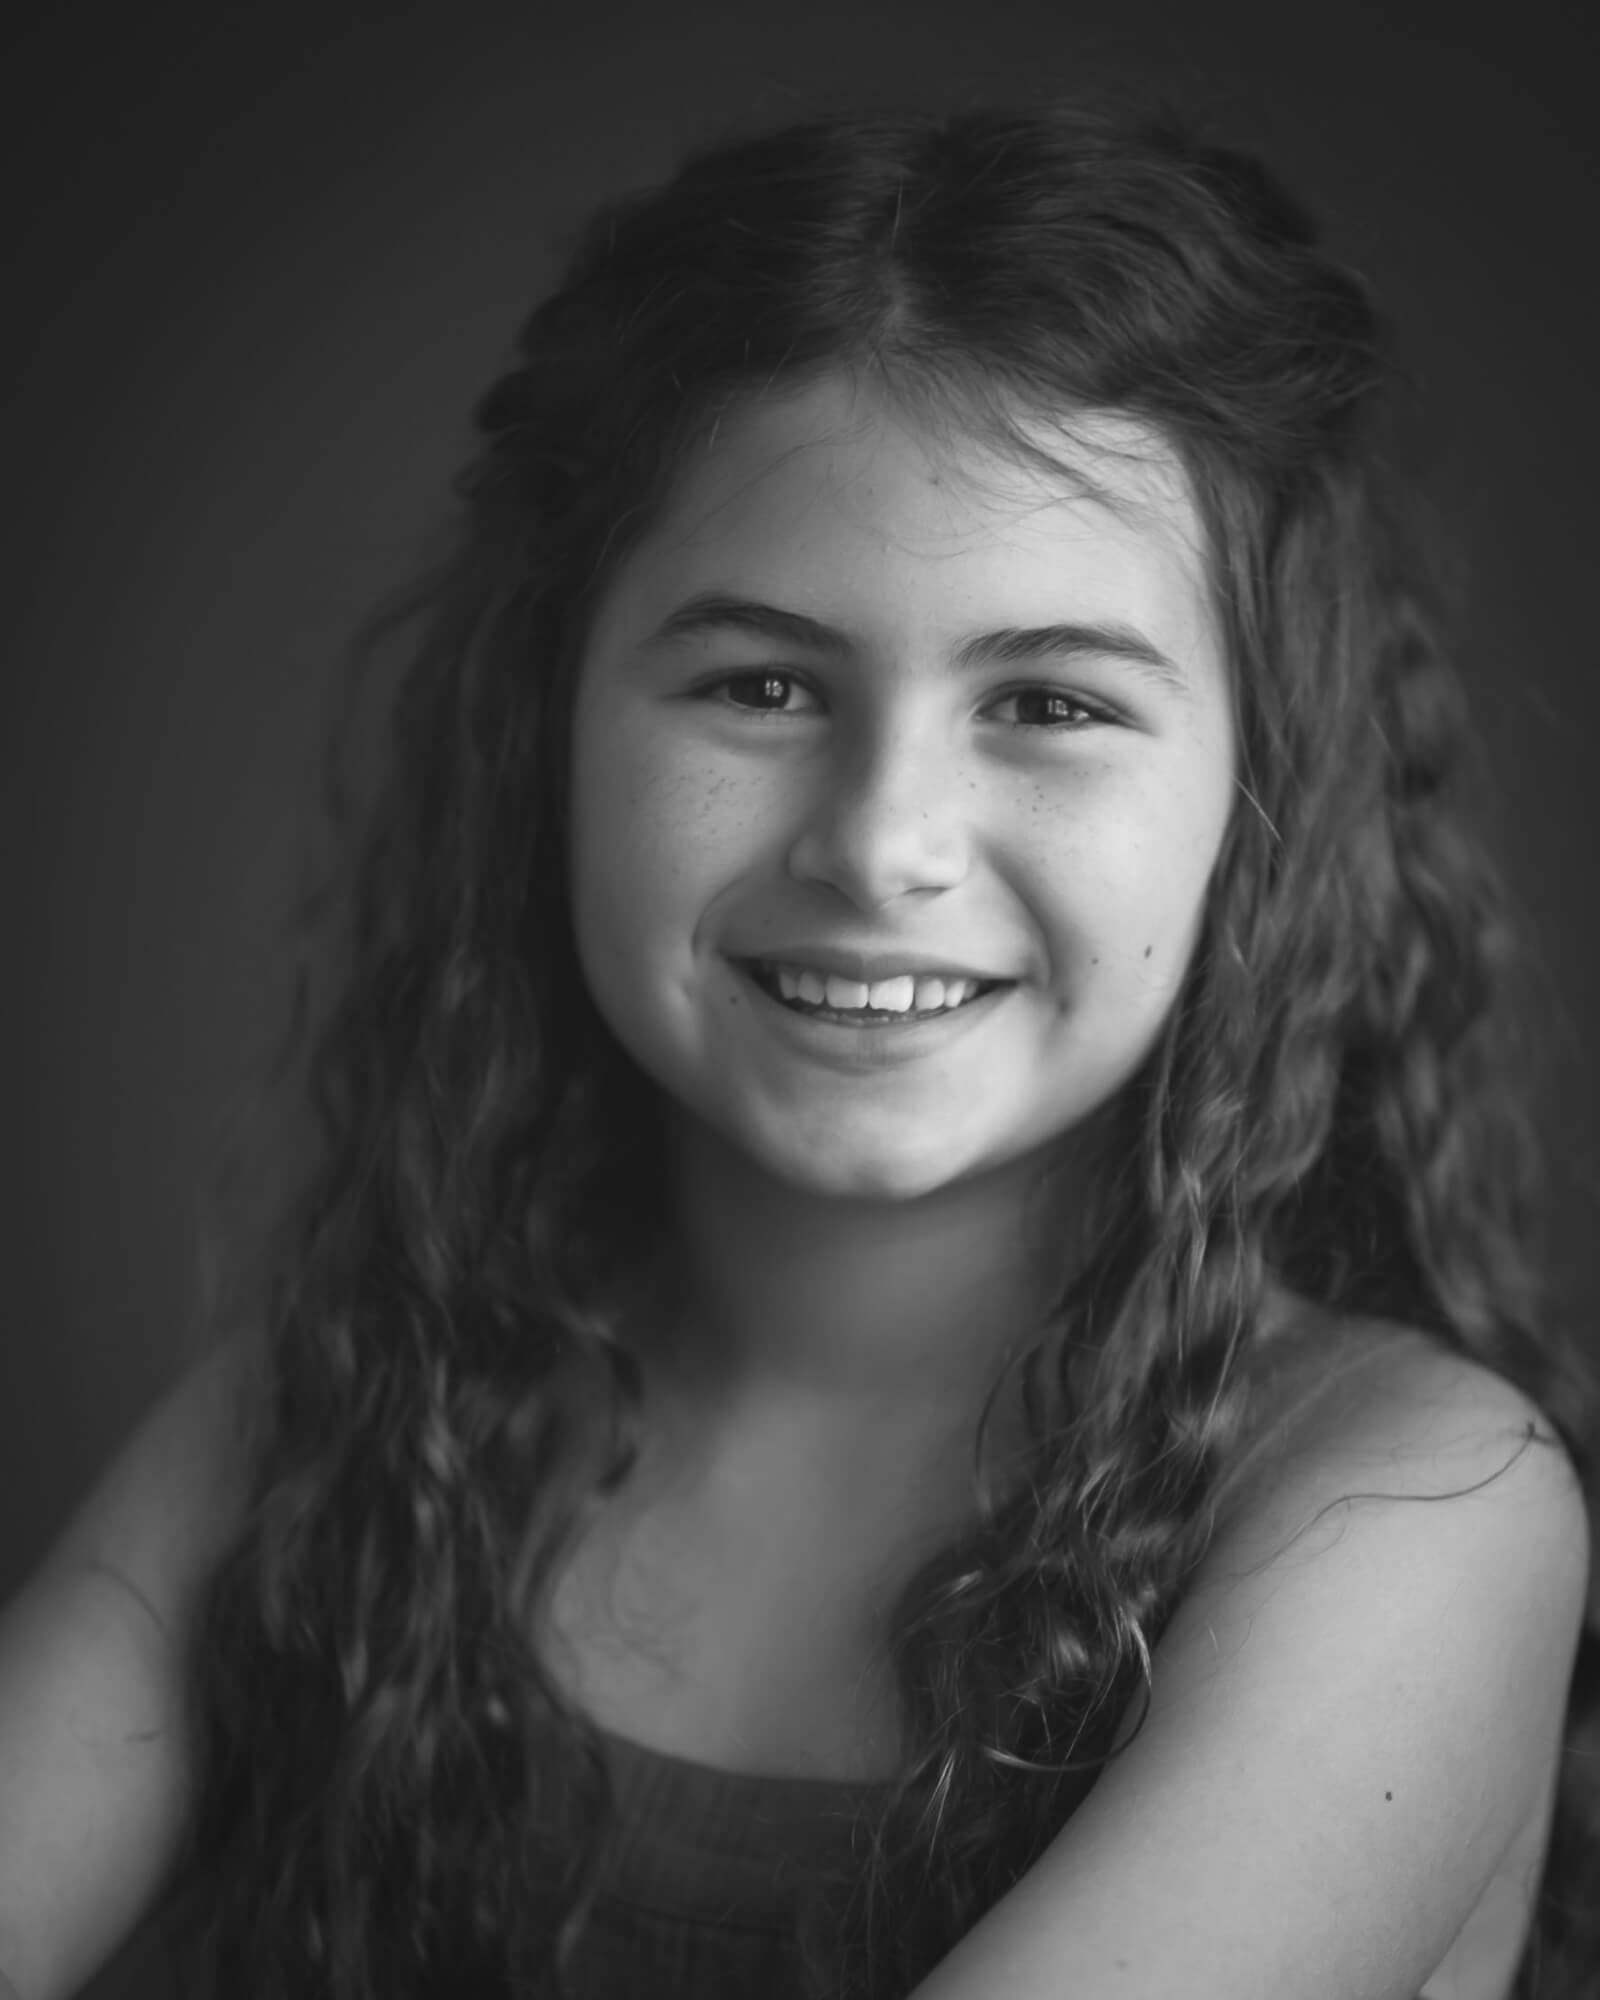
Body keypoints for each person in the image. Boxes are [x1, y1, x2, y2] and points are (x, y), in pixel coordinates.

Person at [1, 89, 1595, 2000]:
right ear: (550, 734)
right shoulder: (343, 1420)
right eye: (760, 683)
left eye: (1052, 703)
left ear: (1268, 796)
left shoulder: (1414, 1508)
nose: (879, 841)